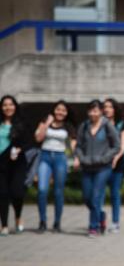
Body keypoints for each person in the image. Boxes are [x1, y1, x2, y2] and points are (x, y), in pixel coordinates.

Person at [74, 100, 120, 238]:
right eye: (91, 110)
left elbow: (116, 146)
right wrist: (81, 158)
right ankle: (101, 215)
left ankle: (93, 227)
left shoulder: (107, 126)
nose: (93, 113)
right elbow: (78, 146)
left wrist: (105, 158)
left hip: (103, 167)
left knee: (95, 196)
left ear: (101, 112)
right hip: (87, 167)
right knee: (87, 197)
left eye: (96, 110)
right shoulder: (84, 126)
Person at [34, 100, 77, 233]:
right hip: (45, 157)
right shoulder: (44, 121)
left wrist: (76, 158)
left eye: (63, 110)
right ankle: (42, 221)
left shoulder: (68, 126)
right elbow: (38, 139)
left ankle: (57, 222)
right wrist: (47, 123)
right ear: (54, 110)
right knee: (42, 190)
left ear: (66, 113)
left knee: (58, 192)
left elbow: (73, 144)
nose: (60, 112)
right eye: (58, 109)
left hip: (60, 158)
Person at [0, 95, 30, 236]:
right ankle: (4, 225)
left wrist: (19, 149)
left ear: (15, 106)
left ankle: (18, 217)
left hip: (17, 162)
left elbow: (28, 142)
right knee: (2, 193)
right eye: (5, 105)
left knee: (17, 193)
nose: (8, 107)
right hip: (1, 163)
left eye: (10, 104)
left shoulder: (22, 123)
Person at [100, 98, 124, 234]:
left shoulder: (121, 125)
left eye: (110, 107)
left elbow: (123, 145)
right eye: (105, 107)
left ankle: (115, 223)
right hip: (101, 163)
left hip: (117, 163)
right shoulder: (99, 124)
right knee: (98, 193)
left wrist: (116, 158)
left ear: (115, 109)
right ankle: (99, 219)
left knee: (114, 194)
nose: (107, 109)